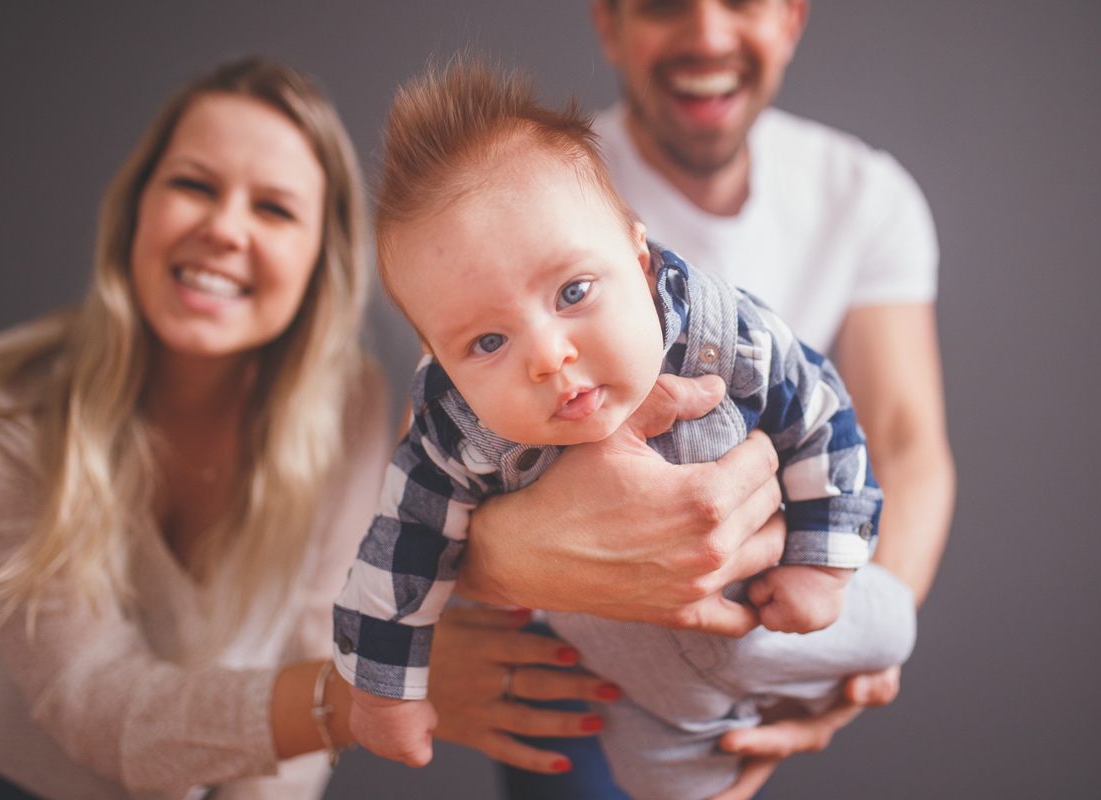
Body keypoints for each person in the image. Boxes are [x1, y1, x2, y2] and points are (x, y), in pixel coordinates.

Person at [0, 58, 621, 800]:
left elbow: (317, 652)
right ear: (135, 211)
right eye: (194, 186)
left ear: (320, 257)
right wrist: (374, 687)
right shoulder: (4, 419)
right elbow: (104, 711)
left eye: (274, 209)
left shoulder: (349, 403)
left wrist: (357, 682)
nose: (223, 229)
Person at [334, 62, 917, 800]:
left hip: (776, 605)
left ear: (641, 265)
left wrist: (823, 561)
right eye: (486, 343)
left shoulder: (723, 332)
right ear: (442, 365)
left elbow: (823, 410)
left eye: (573, 293)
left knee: (884, 626)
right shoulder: (453, 432)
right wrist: (385, 692)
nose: (549, 356)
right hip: (625, 684)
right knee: (663, 784)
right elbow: (398, 552)